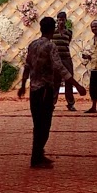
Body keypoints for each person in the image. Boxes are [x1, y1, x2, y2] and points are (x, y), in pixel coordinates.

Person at [17, 17, 60, 169]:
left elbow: (27, 66)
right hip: (45, 89)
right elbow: (59, 67)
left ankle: (39, 154)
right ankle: (36, 159)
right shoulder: (50, 46)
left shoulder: (32, 44)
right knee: (45, 124)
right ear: (53, 30)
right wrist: (76, 84)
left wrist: (23, 85)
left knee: (38, 123)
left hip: (34, 90)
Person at [52, 10, 81, 111]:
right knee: (55, 81)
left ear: (65, 20)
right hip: (55, 60)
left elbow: (68, 43)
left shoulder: (69, 32)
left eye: (63, 20)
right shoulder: (53, 32)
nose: (61, 22)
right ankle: (52, 103)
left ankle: (70, 104)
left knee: (69, 81)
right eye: (59, 20)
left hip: (66, 59)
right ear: (57, 21)